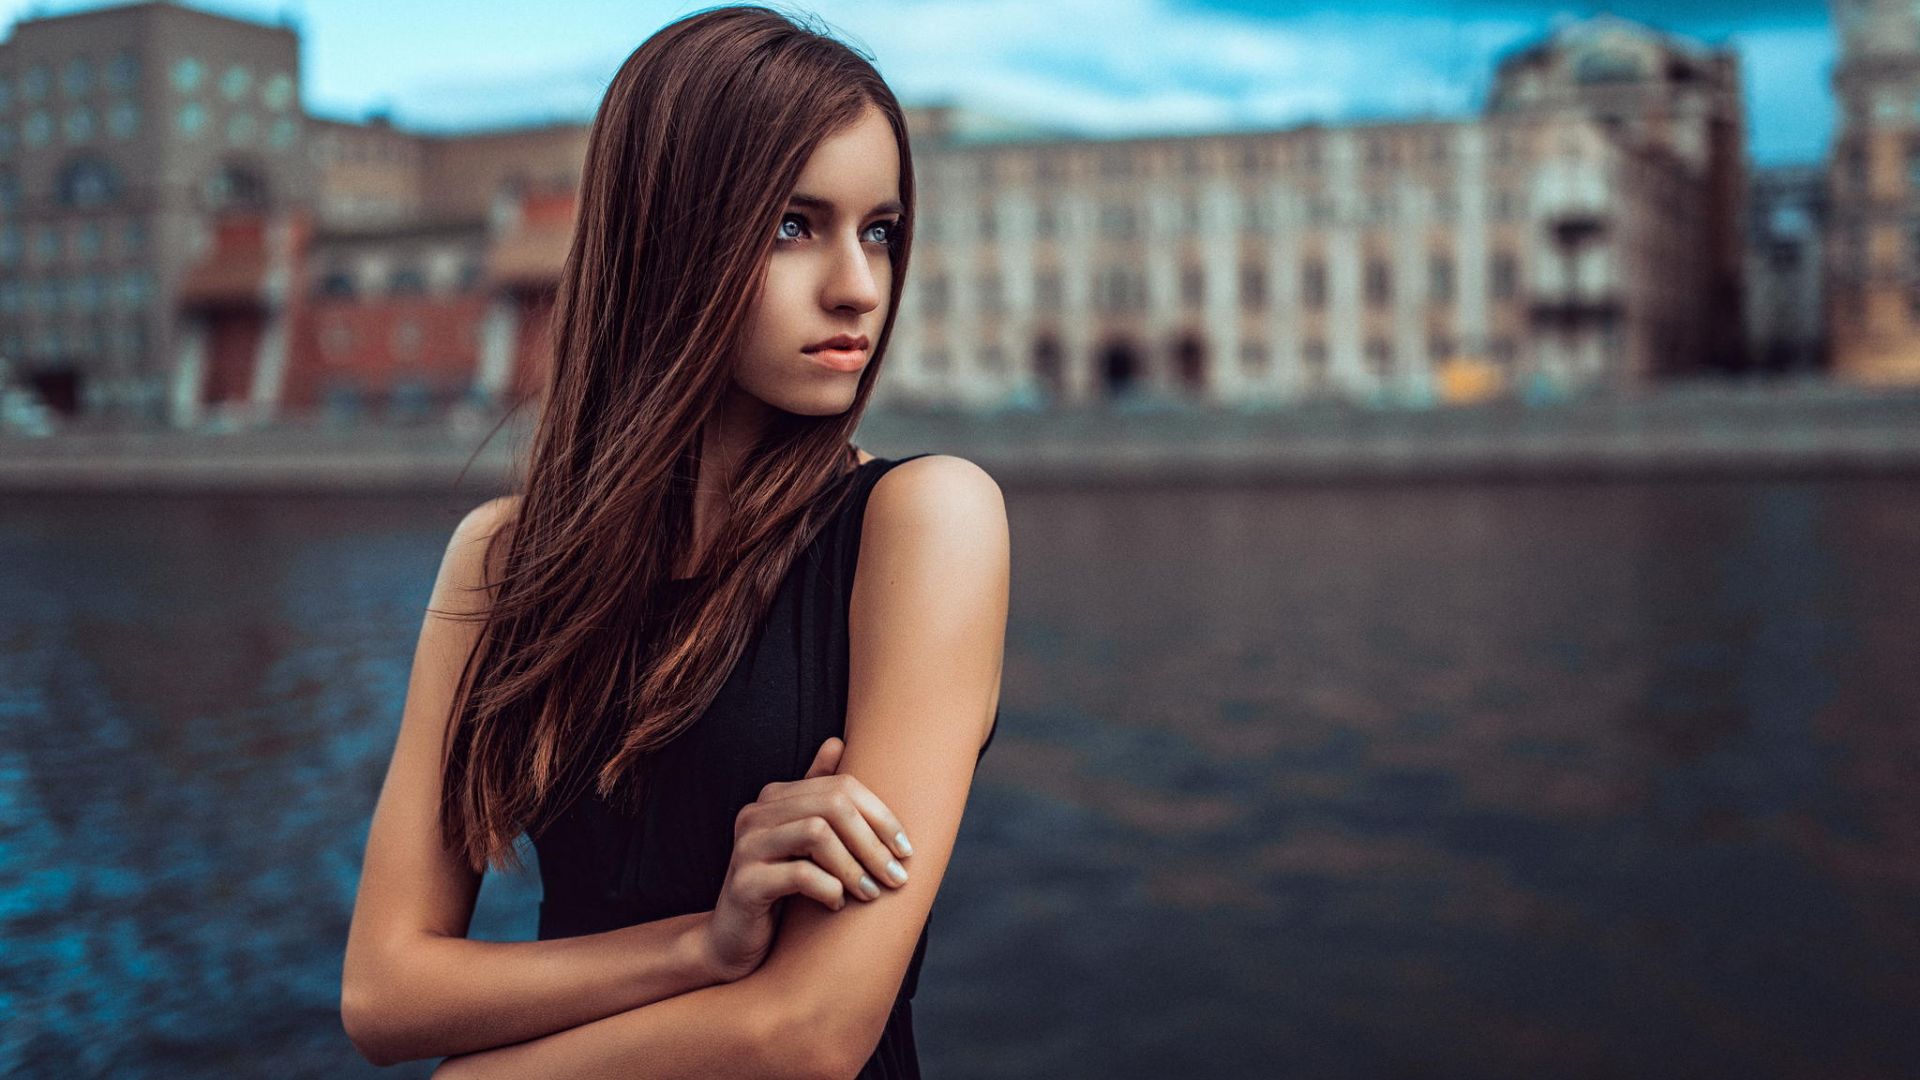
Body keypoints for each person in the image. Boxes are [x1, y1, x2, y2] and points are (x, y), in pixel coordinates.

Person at [339, 6, 1009, 1077]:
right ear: (666, 235)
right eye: (795, 224)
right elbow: (384, 993)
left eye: (878, 229)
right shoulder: (501, 559)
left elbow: (810, 1033)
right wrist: (701, 945)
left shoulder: (925, 522)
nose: (859, 286)